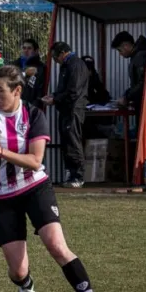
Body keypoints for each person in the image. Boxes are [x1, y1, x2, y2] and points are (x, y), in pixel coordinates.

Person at [0, 65, 107, 292]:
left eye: (0, 90)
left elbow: (35, 160)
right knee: (18, 270)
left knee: (57, 246)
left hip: (34, 188)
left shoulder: (33, 115)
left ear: (17, 91)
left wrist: (1, 152)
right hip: (0, 196)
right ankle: (26, 285)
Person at [42, 43, 89, 188]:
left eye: (55, 56)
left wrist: (55, 99)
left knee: (73, 141)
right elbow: (65, 89)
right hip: (66, 109)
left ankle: (78, 176)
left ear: (62, 53)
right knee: (66, 142)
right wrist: (54, 96)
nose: (55, 60)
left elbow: (73, 91)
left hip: (73, 109)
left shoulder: (75, 65)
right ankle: (70, 173)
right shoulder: (67, 66)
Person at [112, 32, 146, 114]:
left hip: (145, 107)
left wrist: (127, 97)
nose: (120, 54)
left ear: (126, 45)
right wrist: (127, 95)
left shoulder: (140, 56)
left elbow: (143, 83)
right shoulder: (138, 56)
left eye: (119, 50)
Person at [14, 39, 47, 108]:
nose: (26, 51)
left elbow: (40, 89)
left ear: (36, 51)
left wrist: (35, 106)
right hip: (15, 104)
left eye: (29, 48)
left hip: (31, 106)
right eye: (24, 48)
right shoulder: (15, 64)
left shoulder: (41, 67)